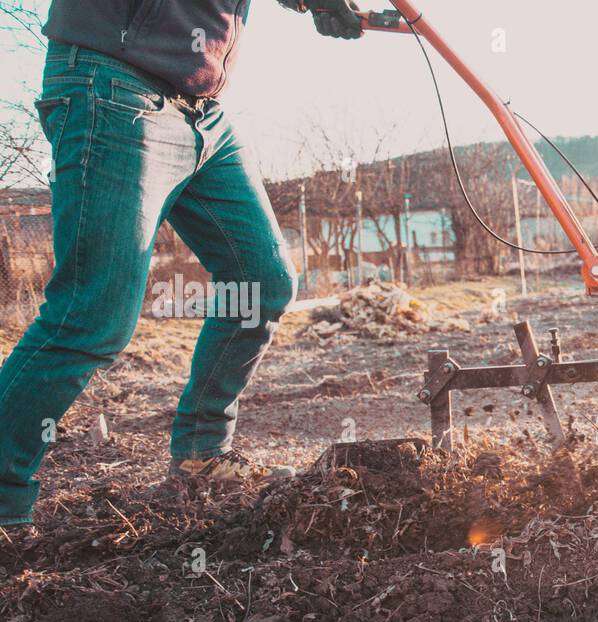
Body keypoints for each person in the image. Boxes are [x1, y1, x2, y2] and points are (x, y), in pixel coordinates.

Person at [0, 0, 363, 556]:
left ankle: (200, 459)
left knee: (261, 282)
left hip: (201, 112)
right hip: (112, 83)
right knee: (92, 314)